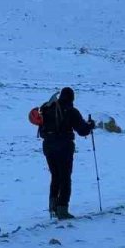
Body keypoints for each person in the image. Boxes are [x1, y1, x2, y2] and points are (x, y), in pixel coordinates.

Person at [36, 87, 94, 219]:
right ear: (72, 98)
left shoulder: (47, 108)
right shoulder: (71, 111)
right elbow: (82, 131)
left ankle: (53, 207)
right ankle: (62, 209)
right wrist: (90, 125)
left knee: (55, 176)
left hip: (48, 146)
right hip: (64, 147)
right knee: (65, 178)